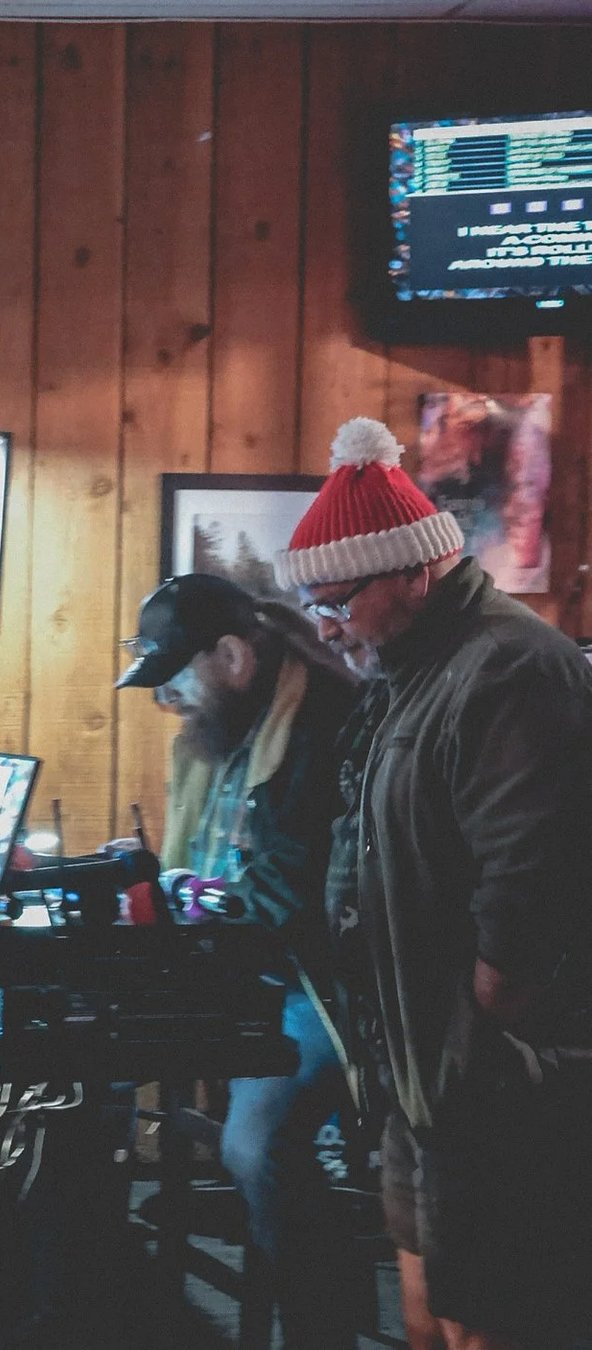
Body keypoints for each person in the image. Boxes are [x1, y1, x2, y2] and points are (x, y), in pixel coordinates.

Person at [281, 417, 592, 1350]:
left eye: (338, 601)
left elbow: (528, 878)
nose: (327, 628)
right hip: (425, 1074)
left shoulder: (508, 666)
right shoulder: (409, 666)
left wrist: (487, 1020)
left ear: (413, 570)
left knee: (493, 1321)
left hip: (491, 1083)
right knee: (431, 1313)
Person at [116, 571, 366, 1348]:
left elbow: (285, 900)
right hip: (239, 969)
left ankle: (322, 1328)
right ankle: (118, 1291)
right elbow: (223, 879)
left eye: (180, 677)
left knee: (255, 1146)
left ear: (231, 655)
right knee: (89, 1073)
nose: (173, 699)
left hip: (319, 985)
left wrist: (190, 904)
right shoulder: (228, 728)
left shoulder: (324, 729)